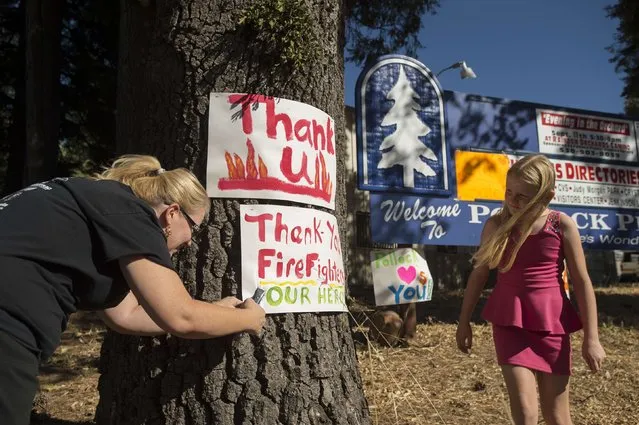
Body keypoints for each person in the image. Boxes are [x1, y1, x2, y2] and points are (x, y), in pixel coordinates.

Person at [0, 154, 266, 425]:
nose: (190, 243)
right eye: (194, 228)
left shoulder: (101, 207)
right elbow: (181, 317)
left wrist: (212, 311)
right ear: (172, 213)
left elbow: (124, 315)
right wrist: (249, 319)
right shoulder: (132, 213)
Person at [455, 154, 605, 425]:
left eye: (523, 196)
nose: (513, 201)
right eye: (509, 192)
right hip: (509, 322)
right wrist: (463, 321)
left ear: (546, 196)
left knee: (557, 417)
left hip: (553, 325)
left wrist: (591, 338)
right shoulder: (496, 225)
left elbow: (582, 282)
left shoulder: (561, 225)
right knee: (525, 414)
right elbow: (478, 275)